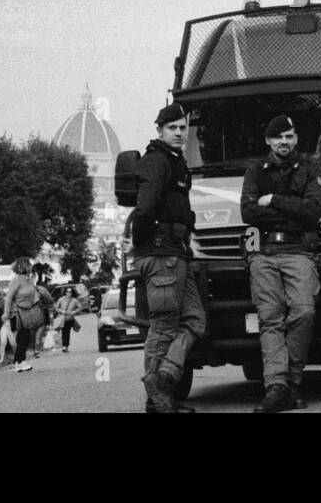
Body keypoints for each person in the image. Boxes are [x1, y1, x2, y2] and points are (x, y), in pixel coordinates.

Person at [240, 113, 321, 413]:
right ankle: (277, 387)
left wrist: (273, 199)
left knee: (303, 312)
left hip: (298, 251)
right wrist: (294, 208)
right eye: (279, 137)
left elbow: (314, 210)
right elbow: (249, 213)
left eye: (289, 136)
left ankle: (290, 383)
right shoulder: (255, 170)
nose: (284, 142)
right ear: (268, 140)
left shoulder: (310, 167)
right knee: (270, 317)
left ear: (296, 138)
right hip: (262, 252)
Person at [132, 102, 207, 413]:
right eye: (172, 128)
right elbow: (145, 208)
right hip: (161, 254)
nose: (179, 132)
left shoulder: (175, 162)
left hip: (177, 255)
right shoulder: (156, 161)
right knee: (163, 326)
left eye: (182, 128)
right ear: (159, 131)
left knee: (194, 320)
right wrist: (145, 242)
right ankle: (157, 399)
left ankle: (163, 380)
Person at [3, 258, 47, 371]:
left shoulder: (29, 279)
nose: (31, 267)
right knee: (23, 337)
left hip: (27, 312)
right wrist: (6, 313)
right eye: (29, 265)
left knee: (24, 337)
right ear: (24, 266)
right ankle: (19, 362)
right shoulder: (16, 280)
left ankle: (19, 362)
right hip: (17, 313)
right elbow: (9, 297)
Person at [54, 286, 82, 352]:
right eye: (67, 292)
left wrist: (74, 312)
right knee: (64, 332)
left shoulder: (75, 300)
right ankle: (64, 346)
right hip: (62, 319)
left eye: (70, 292)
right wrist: (61, 311)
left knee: (67, 332)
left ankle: (65, 346)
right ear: (65, 292)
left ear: (72, 293)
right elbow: (56, 307)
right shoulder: (61, 299)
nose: (68, 293)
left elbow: (80, 307)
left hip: (70, 319)